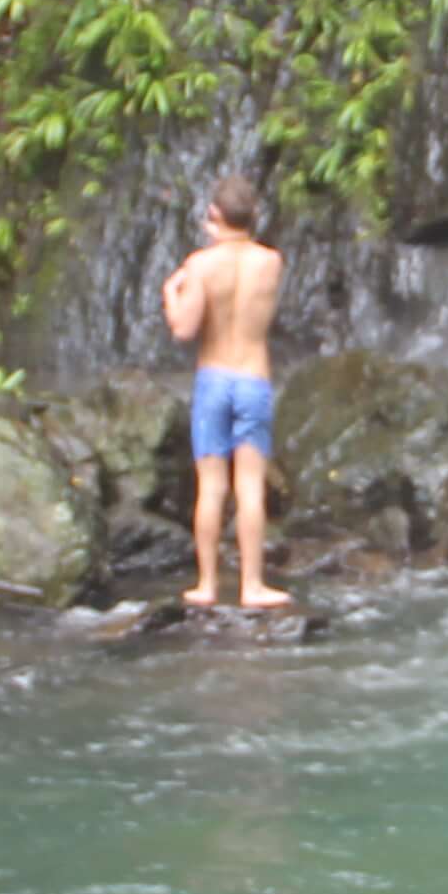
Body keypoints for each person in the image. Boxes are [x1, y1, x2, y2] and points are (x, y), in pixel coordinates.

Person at [160, 171, 289, 610]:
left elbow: (183, 328)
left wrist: (170, 292)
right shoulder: (271, 262)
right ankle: (253, 587)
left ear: (214, 215)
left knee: (212, 487)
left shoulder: (201, 265)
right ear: (254, 215)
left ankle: (207, 585)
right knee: (250, 486)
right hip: (254, 379)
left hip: (214, 381)